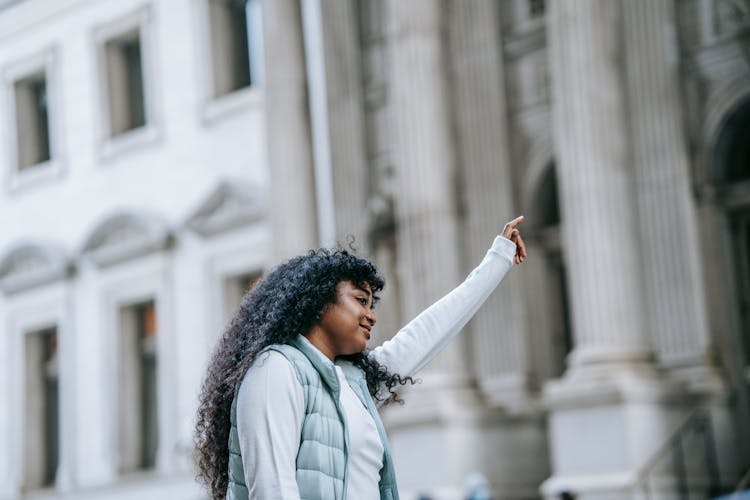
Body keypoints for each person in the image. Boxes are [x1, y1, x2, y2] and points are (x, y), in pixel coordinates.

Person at [195, 216, 527, 500]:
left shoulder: (353, 382)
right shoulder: (275, 370)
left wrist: (497, 260)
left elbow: (427, 334)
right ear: (317, 301)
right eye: (360, 300)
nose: (371, 316)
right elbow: (272, 490)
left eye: (371, 304)